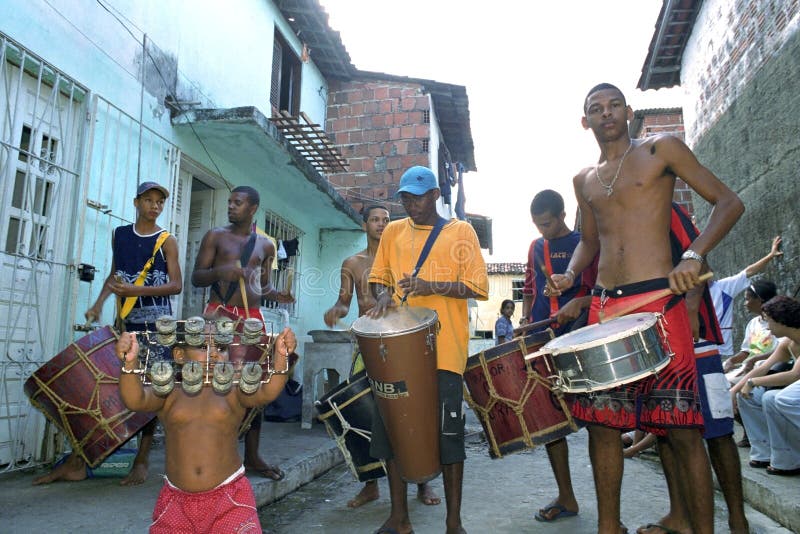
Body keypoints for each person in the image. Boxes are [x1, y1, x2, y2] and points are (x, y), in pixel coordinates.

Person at [551, 83, 744, 534]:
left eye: (614, 104)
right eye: (595, 109)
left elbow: (729, 202)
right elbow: (590, 240)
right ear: (586, 122)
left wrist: (693, 255)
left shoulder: (662, 149)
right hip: (604, 310)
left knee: (681, 428)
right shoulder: (584, 180)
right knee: (602, 426)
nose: (606, 113)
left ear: (629, 111)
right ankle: (608, 527)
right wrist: (572, 274)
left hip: (660, 303)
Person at [33, 181, 182, 486]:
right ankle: (78, 462)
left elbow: (176, 285)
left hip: (157, 328)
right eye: (149, 200)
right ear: (136, 202)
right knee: (110, 389)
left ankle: (141, 462)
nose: (155, 206)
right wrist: (98, 304)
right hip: (125, 324)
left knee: (151, 394)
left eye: (159, 202)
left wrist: (136, 289)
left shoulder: (167, 241)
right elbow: (115, 274)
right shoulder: (120, 235)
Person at [366, 165, 488, 534]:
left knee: (449, 438)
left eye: (418, 196)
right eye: (405, 197)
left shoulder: (461, 231)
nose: (411, 204)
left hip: (445, 351)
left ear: (435, 195)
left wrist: (429, 284)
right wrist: (383, 297)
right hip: (398, 350)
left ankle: (454, 522)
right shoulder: (393, 231)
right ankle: (399, 517)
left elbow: (477, 286)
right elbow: (379, 282)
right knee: (391, 432)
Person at [116, 323, 297, 532]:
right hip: (176, 502)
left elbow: (267, 392)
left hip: (230, 498)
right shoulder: (167, 393)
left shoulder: (235, 391)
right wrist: (129, 363)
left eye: (221, 348)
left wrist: (281, 356)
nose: (213, 355)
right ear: (179, 355)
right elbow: (135, 400)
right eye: (202, 347)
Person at [636, 203, 749, 534]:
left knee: (717, 434)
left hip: (694, 340)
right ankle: (679, 516)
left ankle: (737, 520)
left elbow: (699, 261)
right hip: (653, 341)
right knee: (666, 431)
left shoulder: (664, 207)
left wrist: (690, 308)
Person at [322, 204, 440, 508]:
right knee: (364, 412)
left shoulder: (404, 258)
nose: (380, 224)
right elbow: (344, 302)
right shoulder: (352, 263)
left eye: (386, 220)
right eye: (375, 219)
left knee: (410, 413)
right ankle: (370, 484)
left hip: (402, 349)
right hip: (368, 347)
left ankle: (422, 484)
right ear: (364, 225)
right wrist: (336, 311)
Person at [191, 185, 293, 481]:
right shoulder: (215, 236)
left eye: (238, 203)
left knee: (254, 387)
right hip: (219, 315)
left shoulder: (266, 246)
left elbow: (262, 286)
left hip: (252, 318)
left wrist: (279, 294)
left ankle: (252, 456)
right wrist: (221, 271)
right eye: (230, 202)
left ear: (253, 209)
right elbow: (197, 277)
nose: (231, 206)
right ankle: (212, 453)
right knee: (214, 386)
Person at [520, 189, 592, 523]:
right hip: (541, 339)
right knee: (553, 422)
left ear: (562, 216)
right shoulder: (536, 248)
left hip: (580, 339)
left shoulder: (585, 243)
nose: (542, 231)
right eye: (537, 225)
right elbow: (530, 289)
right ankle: (566, 497)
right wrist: (525, 323)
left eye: (547, 224)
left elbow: (597, 291)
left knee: (598, 420)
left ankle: (609, 509)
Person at [731, 295, 800, 476]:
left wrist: (754, 382)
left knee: (783, 398)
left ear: (781, 320)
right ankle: (780, 457)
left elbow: (795, 375)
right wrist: (733, 391)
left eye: (769, 321)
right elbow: (763, 369)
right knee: (755, 396)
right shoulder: (788, 343)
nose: (767, 327)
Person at [709, 236, 782, 359]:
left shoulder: (722, 287)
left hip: (719, 349)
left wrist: (770, 255)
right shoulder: (687, 294)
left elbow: (748, 272)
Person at [723, 280, 779, 382]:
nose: (745, 304)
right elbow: (747, 352)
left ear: (759, 300)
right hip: (750, 364)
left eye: (747, 299)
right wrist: (731, 361)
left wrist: (754, 360)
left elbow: (781, 351)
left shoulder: (779, 322)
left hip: (766, 366)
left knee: (724, 383)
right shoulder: (753, 323)